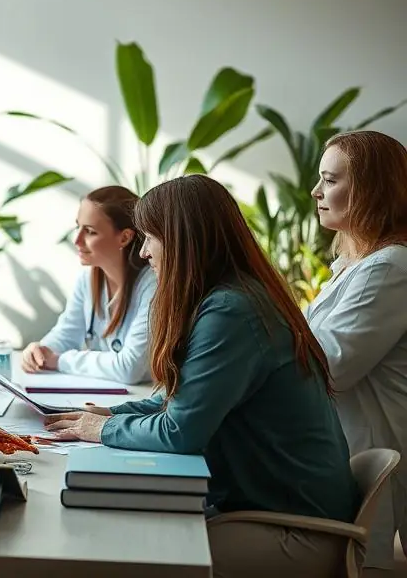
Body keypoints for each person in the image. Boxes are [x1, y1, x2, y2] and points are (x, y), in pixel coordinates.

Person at [45, 175, 358, 578]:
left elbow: (181, 431)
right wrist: (109, 413)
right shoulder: (231, 299)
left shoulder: (231, 311)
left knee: (119, 550)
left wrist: (101, 429)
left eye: (150, 238)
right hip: (274, 509)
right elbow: (182, 400)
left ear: (181, 240)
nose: (143, 253)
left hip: (296, 527)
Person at [306, 130, 407, 570]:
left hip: (374, 442)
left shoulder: (388, 268)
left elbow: (330, 365)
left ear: (370, 191)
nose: (316, 192)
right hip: (353, 442)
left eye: (329, 180)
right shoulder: (355, 265)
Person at [21, 186, 156, 384]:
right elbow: (67, 333)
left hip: (143, 400)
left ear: (125, 237)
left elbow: (129, 369)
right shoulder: (88, 279)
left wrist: (59, 360)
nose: (77, 240)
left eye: (90, 232)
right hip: (104, 394)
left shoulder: (152, 285)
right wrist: (41, 351)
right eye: (78, 227)